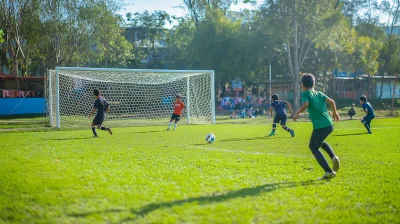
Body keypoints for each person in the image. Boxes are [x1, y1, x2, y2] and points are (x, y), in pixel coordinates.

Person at [293, 73, 340, 180]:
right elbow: (332, 102)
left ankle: (328, 172)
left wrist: (297, 113)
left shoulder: (305, 93)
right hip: (329, 124)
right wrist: (335, 113)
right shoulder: (319, 93)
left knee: (313, 146)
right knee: (319, 142)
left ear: (303, 84)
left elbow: (306, 104)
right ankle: (333, 157)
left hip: (320, 126)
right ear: (313, 84)